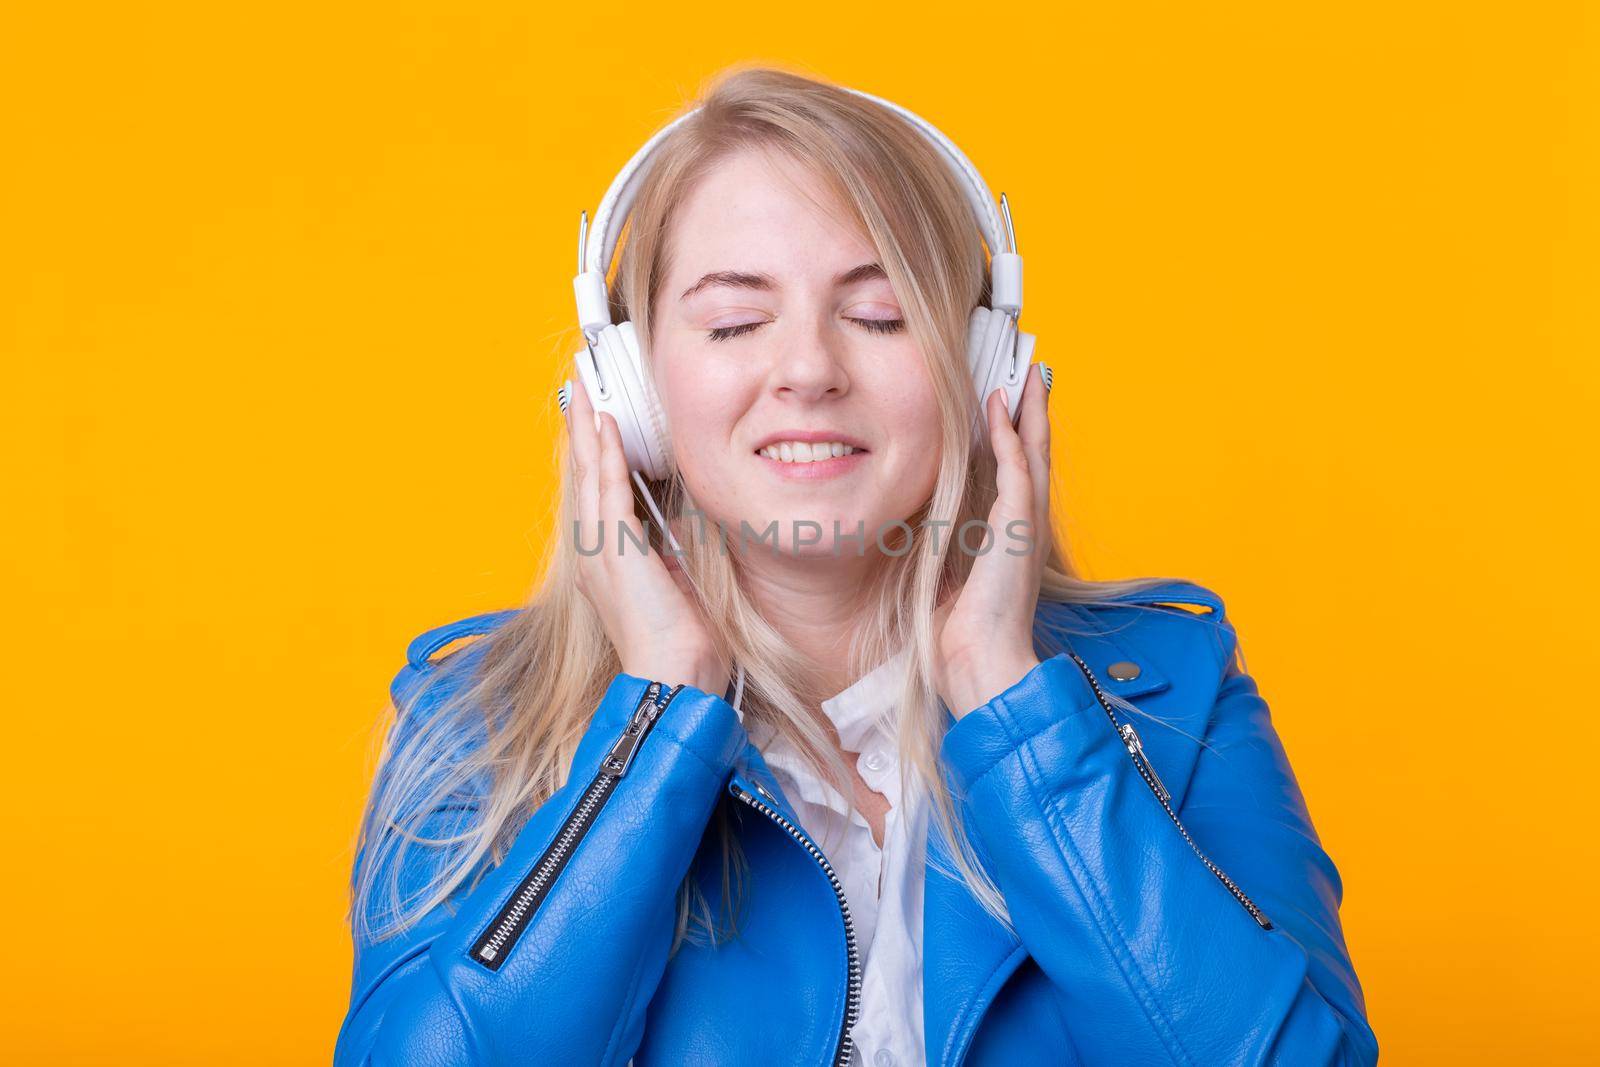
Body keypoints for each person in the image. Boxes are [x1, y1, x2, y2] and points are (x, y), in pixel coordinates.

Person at [333, 66, 1379, 1066]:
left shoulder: (1175, 687)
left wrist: (1011, 705)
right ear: (628, 391)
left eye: (878, 315)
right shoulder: (475, 720)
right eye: (735, 320)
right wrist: (655, 720)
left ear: (984, 369)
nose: (807, 371)